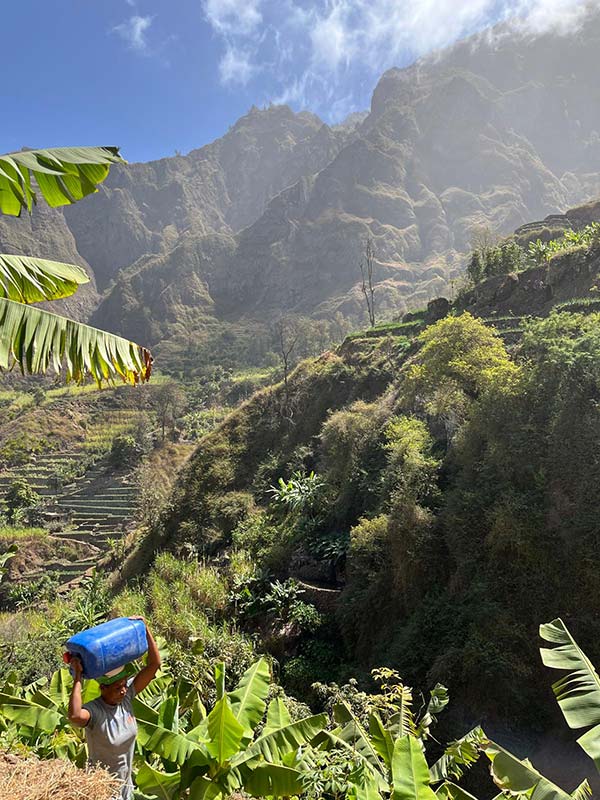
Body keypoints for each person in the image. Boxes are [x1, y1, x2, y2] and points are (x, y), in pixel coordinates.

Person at [67, 616, 161, 800]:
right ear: (103, 688)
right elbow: (75, 716)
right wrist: (77, 676)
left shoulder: (126, 699)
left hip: (126, 790)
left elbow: (154, 665)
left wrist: (144, 628)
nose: (124, 690)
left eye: (125, 685)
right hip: (103, 792)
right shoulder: (95, 712)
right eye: (118, 688)